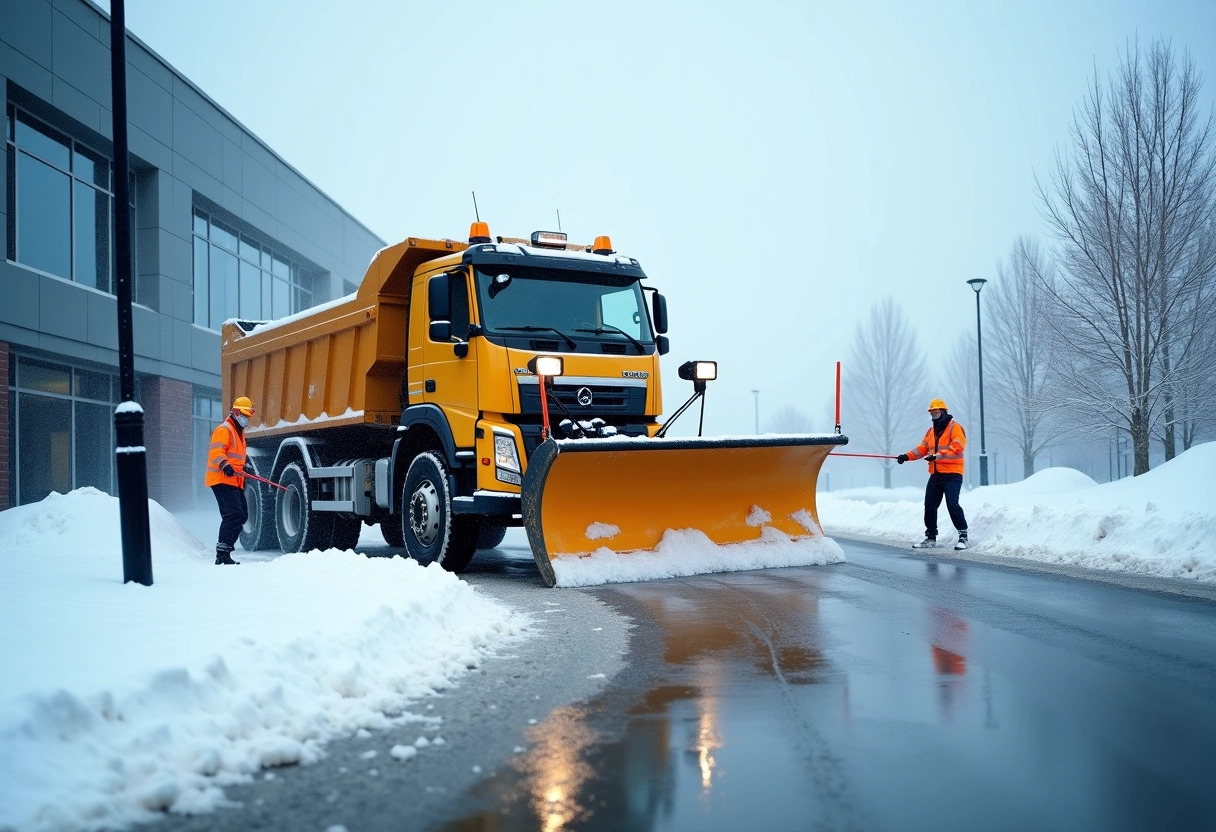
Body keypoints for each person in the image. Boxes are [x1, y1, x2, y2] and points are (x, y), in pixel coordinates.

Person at [896, 398, 969, 550]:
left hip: (952, 474)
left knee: (952, 503)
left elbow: (958, 447)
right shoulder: (931, 431)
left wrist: (937, 455)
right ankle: (930, 538)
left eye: (936, 412)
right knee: (929, 505)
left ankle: (963, 537)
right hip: (936, 474)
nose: (934, 416)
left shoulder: (954, 428)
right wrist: (906, 456)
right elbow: (922, 449)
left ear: (943, 412)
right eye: (932, 413)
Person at [205, 396, 255, 565]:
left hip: (234, 480)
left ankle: (226, 551)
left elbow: (237, 457)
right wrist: (225, 465)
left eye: (248, 416)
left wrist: (243, 467)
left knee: (242, 515)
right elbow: (216, 453)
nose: (246, 419)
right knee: (233, 514)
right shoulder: (224, 429)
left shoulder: (239, 432)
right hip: (221, 478)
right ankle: (222, 555)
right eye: (244, 415)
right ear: (235, 412)